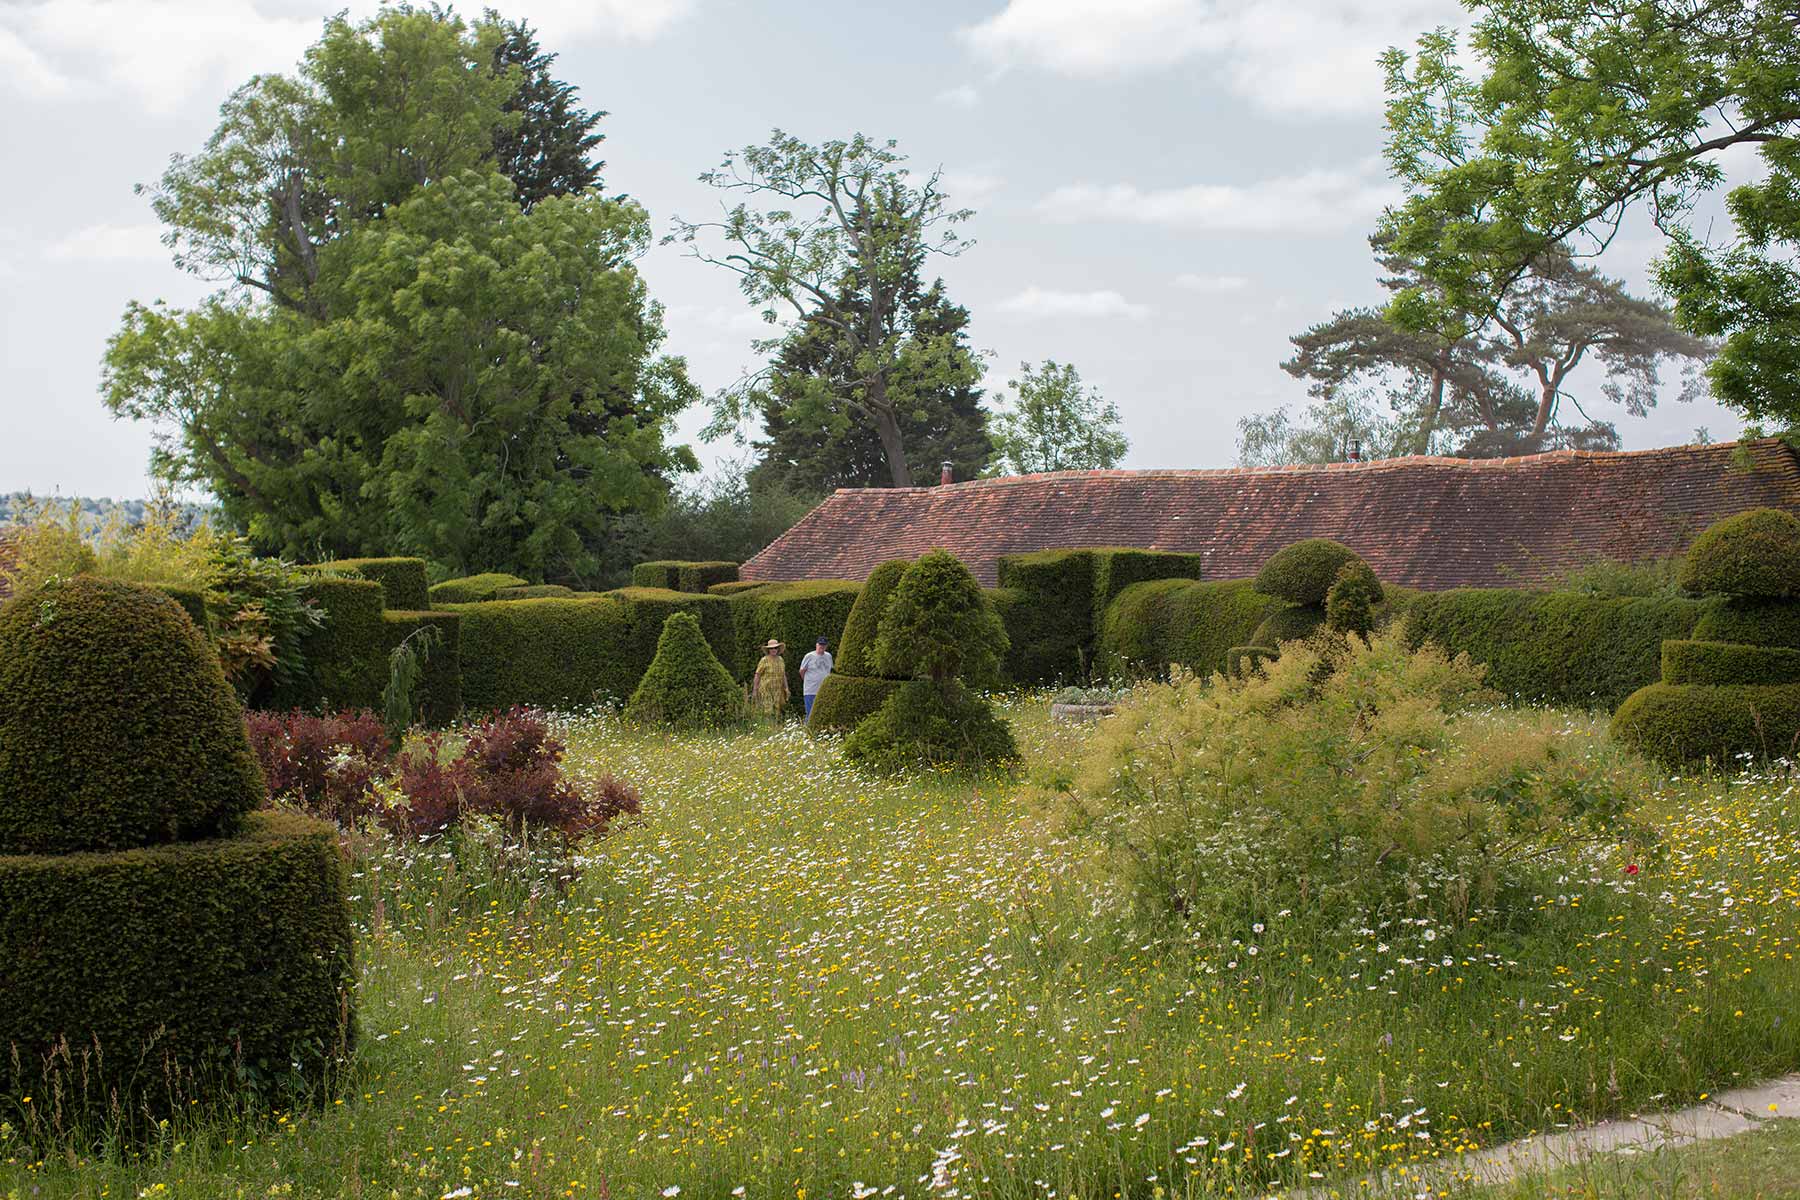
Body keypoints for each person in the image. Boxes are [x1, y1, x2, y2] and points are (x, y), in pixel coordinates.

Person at [751, 638, 789, 718]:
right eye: (771, 648)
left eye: (775, 648)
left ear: (778, 649)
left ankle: (775, 728)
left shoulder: (781, 660)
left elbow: (783, 675)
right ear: (768, 650)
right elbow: (757, 675)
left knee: (777, 710)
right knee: (768, 711)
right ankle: (767, 727)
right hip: (766, 689)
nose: (773, 649)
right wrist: (755, 689)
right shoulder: (764, 660)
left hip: (778, 689)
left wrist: (786, 688)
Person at [799, 637, 834, 720]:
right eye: (820, 644)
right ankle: (808, 731)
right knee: (810, 713)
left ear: (826, 646)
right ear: (816, 645)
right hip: (811, 690)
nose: (821, 647)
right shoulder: (809, 656)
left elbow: (831, 669)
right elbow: (802, 670)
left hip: (824, 689)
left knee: (824, 713)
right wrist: (807, 681)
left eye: (823, 645)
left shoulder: (828, 656)